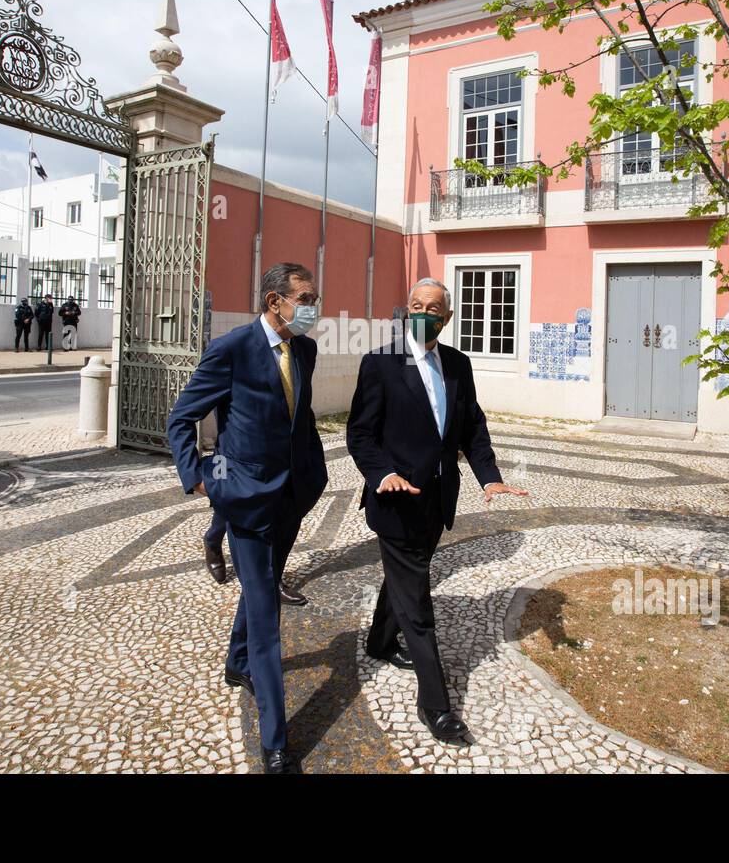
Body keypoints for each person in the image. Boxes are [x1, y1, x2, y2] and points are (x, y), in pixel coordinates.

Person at [346, 277, 528, 744]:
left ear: (447, 318)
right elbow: (360, 434)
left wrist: (490, 477)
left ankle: (380, 641)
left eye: (434, 308)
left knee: (406, 574)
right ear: (407, 310)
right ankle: (437, 705)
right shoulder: (381, 363)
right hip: (394, 501)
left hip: (438, 501)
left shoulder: (458, 364)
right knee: (419, 601)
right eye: (416, 305)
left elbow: (472, 426)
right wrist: (381, 473)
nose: (424, 313)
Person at [167, 262, 328, 774]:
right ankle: (276, 739)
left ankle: (238, 662)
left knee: (264, 583)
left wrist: (312, 473)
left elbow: (298, 420)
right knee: (265, 612)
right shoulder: (232, 348)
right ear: (273, 300)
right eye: (303, 297)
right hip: (245, 499)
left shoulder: (306, 348)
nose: (311, 307)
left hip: (291, 496)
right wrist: (201, 478)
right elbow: (182, 416)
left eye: (314, 297)